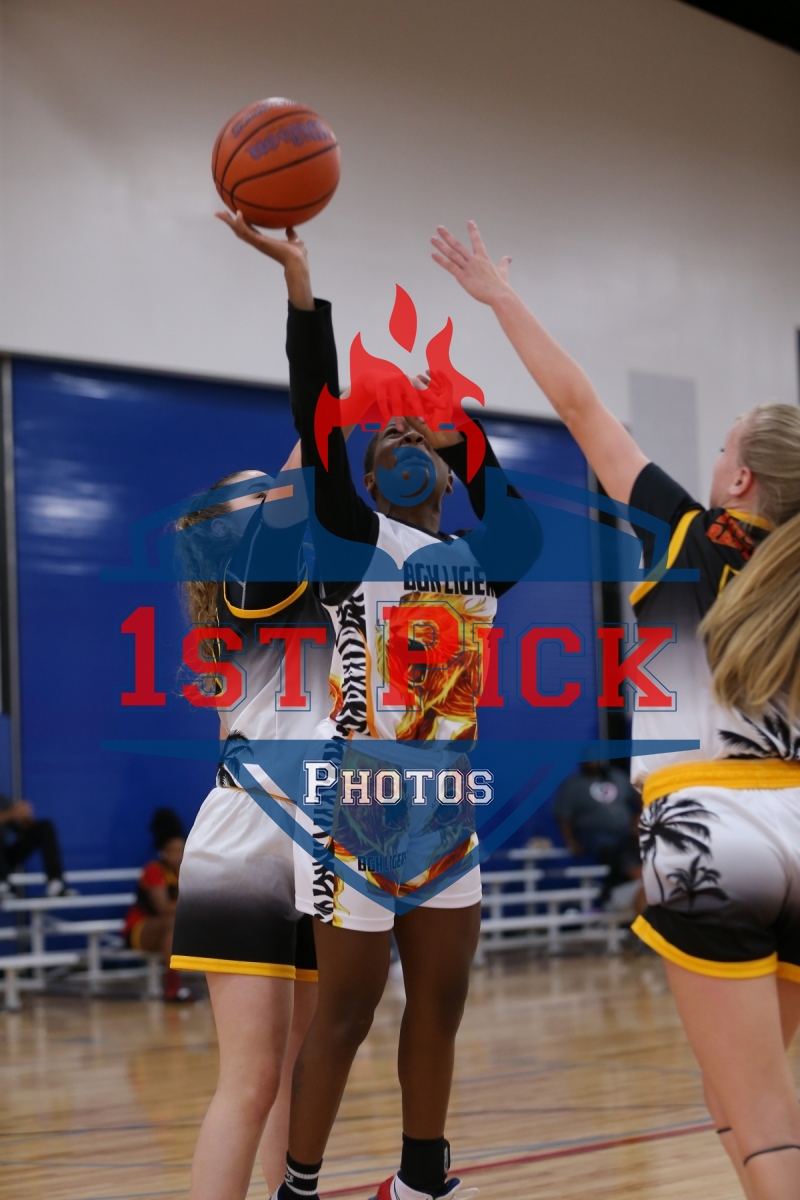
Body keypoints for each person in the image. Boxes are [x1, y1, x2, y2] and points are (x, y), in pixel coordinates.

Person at [432, 219, 800, 1200]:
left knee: (761, 1118)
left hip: (708, 821)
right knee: (749, 1098)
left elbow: (578, 405)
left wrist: (499, 297)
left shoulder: (690, 531)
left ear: (740, 481)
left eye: (721, 446)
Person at [217, 210, 542, 1200]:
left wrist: (462, 430)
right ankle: (299, 1186)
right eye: (386, 440)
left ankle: (420, 1180)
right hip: (357, 800)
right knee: (347, 1011)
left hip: (445, 803)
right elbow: (315, 403)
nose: (404, 441)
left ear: (440, 469)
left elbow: (520, 523)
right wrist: (300, 287)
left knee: (440, 1001)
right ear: (363, 483)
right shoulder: (355, 545)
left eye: (417, 439)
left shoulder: (480, 559)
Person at [170, 450, 328, 1200]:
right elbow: (300, 482)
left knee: (293, 1072)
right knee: (252, 1078)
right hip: (248, 841)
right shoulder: (252, 580)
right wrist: (326, 395)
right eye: (255, 497)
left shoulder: (301, 588)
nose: (273, 497)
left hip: (316, 839)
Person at [123, 806, 189, 1002]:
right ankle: (173, 988)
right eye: (174, 851)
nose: (179, 855)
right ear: (163, 852)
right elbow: (163, 908)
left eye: (182, 849)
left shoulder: (186, 872)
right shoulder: (154, 870)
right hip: (140, 928)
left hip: (173, 926)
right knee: (172, 924)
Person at [552, 761, 642, 905]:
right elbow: (563, 816)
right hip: (593, 835)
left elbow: (640, 798)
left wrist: (640, 817)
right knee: (610, 850)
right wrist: (571, 841)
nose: (593, 762)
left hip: (624, 834)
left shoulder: (618, 777)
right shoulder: (574, 784)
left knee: (631, 849)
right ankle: (619, 882)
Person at [0, 793, 75, 897]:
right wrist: (11, 813)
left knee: (45, 827)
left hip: (4, 859)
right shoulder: (8, 810)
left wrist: (24, 818)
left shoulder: (3, 801)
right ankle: (1, 887)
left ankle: (55, 885)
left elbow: (19, 829)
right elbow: (10, 815)